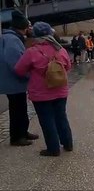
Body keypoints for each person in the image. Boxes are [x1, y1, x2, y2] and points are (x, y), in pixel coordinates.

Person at [15, 22, 73, 157]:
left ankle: (53, 149)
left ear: (35, 35)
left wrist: (33, 73)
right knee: (61, 117)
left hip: (41, 94)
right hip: (60, 91)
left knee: (47, 120)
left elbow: (19, 70)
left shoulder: (31, 52)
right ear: (50, 34)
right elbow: (68, 67)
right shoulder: (61, 49)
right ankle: (68, 143)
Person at [0, 10, 39, 146]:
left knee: (20, 108)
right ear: (22, 27)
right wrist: (29, 75)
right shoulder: (12, 39)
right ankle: (16, 137)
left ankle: (23, 132)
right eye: (28, 26)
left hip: (15, 82)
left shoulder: (13, 37)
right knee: (17, 110)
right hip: (14, 82)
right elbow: (15, 63)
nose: (30, 28)